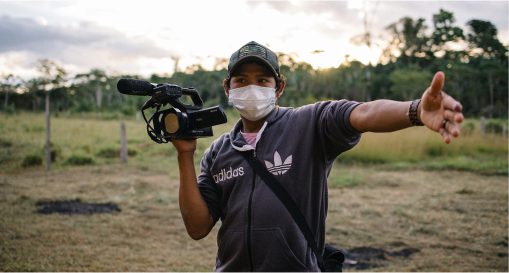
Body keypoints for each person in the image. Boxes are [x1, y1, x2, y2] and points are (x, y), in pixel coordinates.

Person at [171, 41, 464, 271]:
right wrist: (186, 155)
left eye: (263, 80)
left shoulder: (308, 124)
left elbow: (362, 113)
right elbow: (197, 227)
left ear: (279, 87)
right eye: (241, 81)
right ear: (227, 87)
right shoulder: (219, 152)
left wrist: (414, 111)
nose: (252, 88)